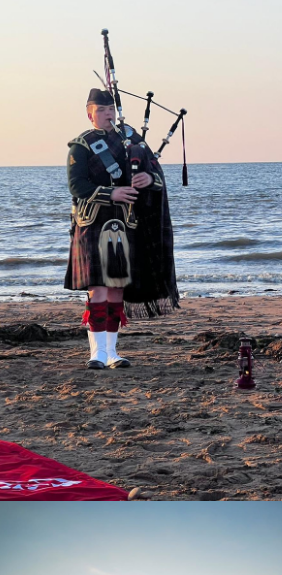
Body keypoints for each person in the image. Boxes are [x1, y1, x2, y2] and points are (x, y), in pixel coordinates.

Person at [64, 88, 179, 370]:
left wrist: (146, 178)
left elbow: (157, 179)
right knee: (98, 291)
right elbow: (76, 187)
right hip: (92, 224)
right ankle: (97, 353)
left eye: (111, 110)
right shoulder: (81, 145)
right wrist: (110, 194)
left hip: (124, 225)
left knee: (116, 290)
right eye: (101, 111)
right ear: (89, 113)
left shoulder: (130, 140)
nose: (108, 115)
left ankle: (112, 352)